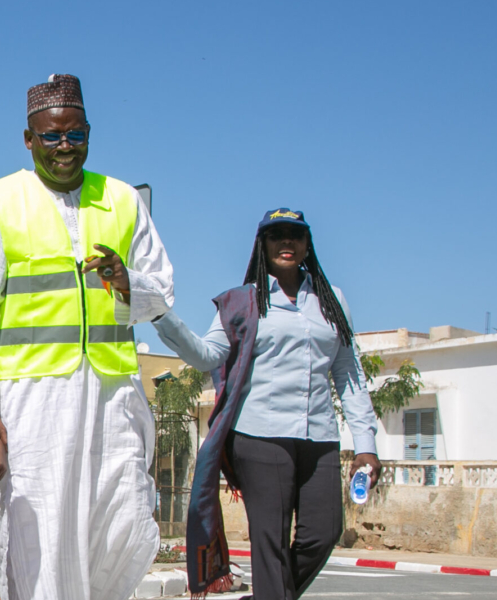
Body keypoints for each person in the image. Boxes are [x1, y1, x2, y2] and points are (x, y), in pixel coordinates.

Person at [0, 74, 174, 600]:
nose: (64, 148)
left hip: (112, 393)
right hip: (33, 399)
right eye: (52, 136)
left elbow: (163, 291)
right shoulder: (0, 203)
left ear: (89, 134)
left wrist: (129, 282)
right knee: (43, 532)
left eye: (75, 135)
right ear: (29, 138)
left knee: (120, 518)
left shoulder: (123, 200)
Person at [152, 208, 380, 600]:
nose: (286, 242)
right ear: (263, 245)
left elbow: (348, 372)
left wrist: (367, 445)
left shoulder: (331, 299)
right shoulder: (245, 301)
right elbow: (208, 355)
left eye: (295, 235)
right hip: (260, 437)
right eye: (277, 235)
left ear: (308, 246)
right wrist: (160, 316)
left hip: (320, 436)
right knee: (269, 544)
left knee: (323, 533)